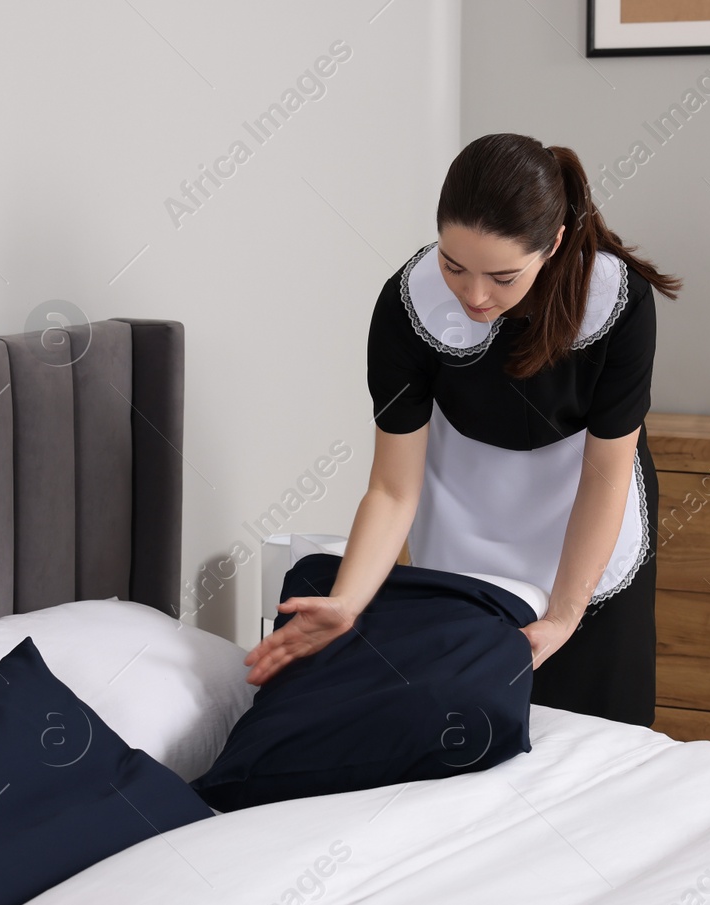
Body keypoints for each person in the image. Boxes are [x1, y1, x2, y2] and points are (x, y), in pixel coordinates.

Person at [244, 132, 681, 726]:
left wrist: (563, 615)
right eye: (454, 265)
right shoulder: (408, 307)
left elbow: (606, 475)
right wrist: (347, 600)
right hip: (465, 519)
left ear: (552, 244)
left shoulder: (615, 304)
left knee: (596, 736)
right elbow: (394, 487)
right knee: (467, 736)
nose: (474, 295)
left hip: (586, 528)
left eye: (503, 277)